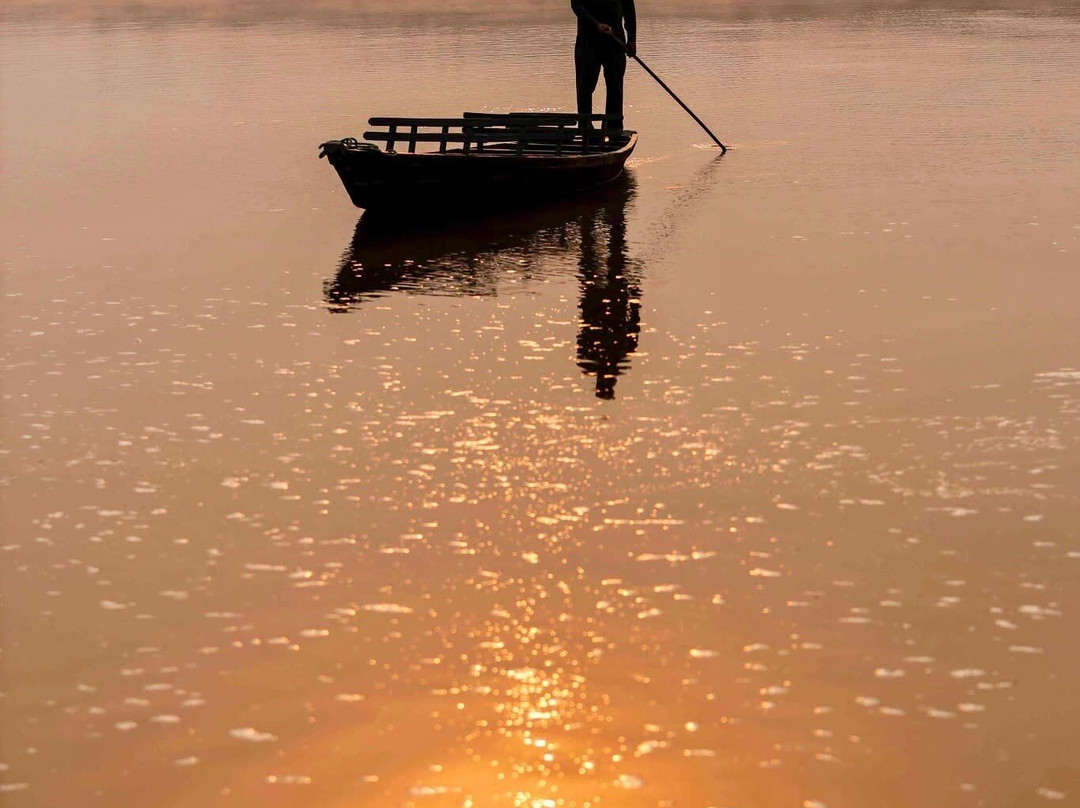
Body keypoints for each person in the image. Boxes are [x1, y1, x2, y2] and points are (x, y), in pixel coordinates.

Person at [571, 0, 636, 133]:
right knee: (585, 85)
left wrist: (632, 40)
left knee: (615, 86)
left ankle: (614, 125)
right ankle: (585, 126)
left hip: (615, 40)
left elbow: (629, 9)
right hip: (588, 41)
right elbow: (577, 5)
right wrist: (596, 25)